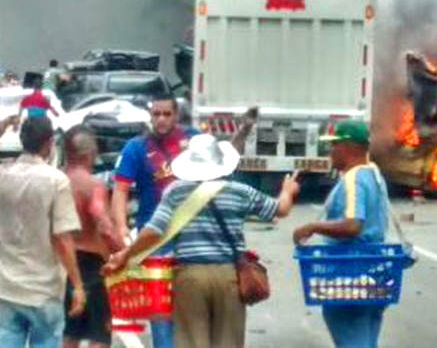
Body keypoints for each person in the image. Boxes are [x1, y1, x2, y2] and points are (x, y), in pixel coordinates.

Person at [104, 134, 300, 348]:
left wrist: (125, 255)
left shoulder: (175, 192)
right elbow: (280, 209)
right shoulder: (239, 191)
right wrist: (287, 191)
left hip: (189, 278)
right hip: (229, 278)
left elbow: (154, 231)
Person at [110, 98, 254, 348]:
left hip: (193, 240)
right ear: (150, 116)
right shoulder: (136, 148)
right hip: (157, 242)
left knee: (199, 311)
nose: (161, 119)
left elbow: (224, 159)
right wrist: (122, 229)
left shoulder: (194, 141)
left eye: (166, 113)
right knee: (162, 314)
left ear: (176, 116)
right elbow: (120, 190)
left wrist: (243, 131)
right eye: (156, 114)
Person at [293, 119, 390, 348]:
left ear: (348, 146)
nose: (330, 151)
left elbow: (353, 226)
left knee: (351, 335)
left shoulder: (354, 179)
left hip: (351, 274)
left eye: (334, 144)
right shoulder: (375, 174)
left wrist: (312, 227)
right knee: (365, 338)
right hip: (376, 273)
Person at [0, 117, 85, 348]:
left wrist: (2, 126)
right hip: (44, 290)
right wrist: (77, 285)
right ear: (49, 143)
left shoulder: (3, 175)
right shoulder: (56, 181)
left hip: (6, 289)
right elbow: (62, 238)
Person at [62, 126, 125, 348]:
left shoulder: (56, 181)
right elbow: (104, 226)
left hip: (62, 264)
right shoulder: (93, 186)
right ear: (90, 154)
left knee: (70, 333)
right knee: (99, 333)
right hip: (91, 265)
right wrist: (123, 251)